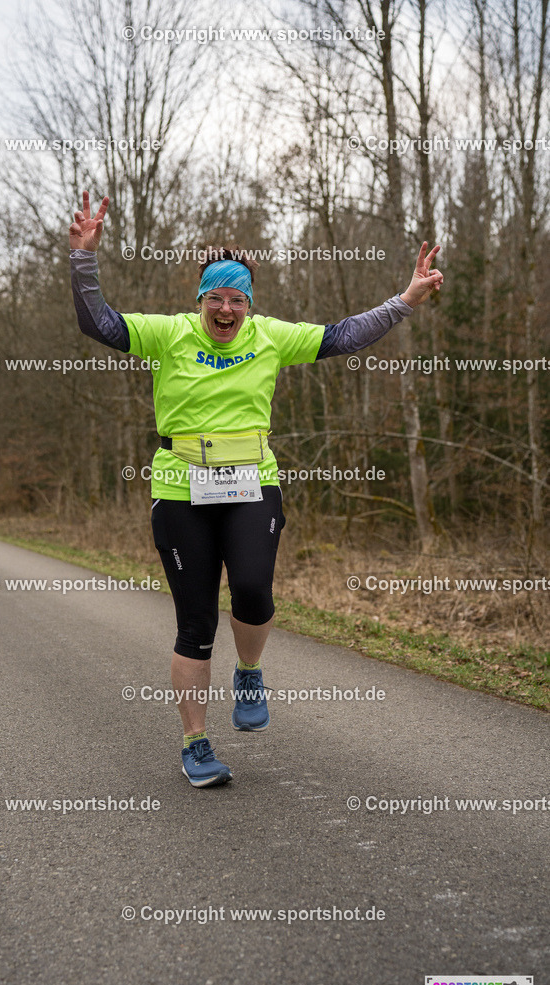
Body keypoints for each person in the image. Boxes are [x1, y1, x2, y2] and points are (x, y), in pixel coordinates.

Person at [69, 192, 443, 788]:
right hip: (179, 487)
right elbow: (100, 323)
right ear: (200, 302)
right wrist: (84, 259)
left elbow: (341, 336)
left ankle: (249, 670)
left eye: (236, 298)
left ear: (249, 303)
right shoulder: (168, 335)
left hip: (251, 483)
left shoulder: (268, 336)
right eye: (215, 297)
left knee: (251, 589)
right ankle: (196, 744)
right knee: (195, 622)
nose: (225, 308)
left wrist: (404, 301)